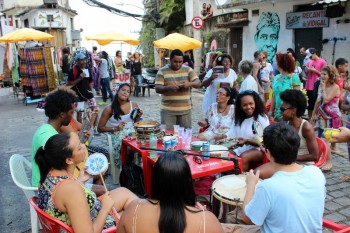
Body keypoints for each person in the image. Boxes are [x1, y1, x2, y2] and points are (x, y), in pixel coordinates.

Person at [36, 133, 138, 232]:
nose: (83, 146)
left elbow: (64, 200)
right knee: (137, 216)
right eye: (79, 148)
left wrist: (79, 181)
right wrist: (105, 209)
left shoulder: (49, 174)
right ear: (69, 160)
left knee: (124, 192)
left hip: (86, 215)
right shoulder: (71, 189)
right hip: (95, 225)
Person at [241, 122, 326, 232]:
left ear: (267, 153)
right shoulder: (316, 173)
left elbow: (248, 219)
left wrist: (251, 184)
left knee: (228, 222)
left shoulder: (268, 186)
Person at [116, 151, 224, 233]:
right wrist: (203, 215)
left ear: (155, 181)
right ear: (188, 182)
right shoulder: (207, 221)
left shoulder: (134, 209)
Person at [256, 89, 319, 179]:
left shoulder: (306, 128)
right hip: (286, 162)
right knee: (256, 173)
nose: (280, 112)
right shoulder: (286, 123)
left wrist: (290, 158)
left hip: (302, 165)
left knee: (260, 174)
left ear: (294, 110)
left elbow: (315, 156)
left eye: (282, 109)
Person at [31, 88, 77, 187]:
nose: (72, 117)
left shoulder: (48, 129)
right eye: (71, 113)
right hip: (47, 187)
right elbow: (56, 170)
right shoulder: (48, 136)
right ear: (62, 115)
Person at [222, 90, 269, 172]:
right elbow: (231, 134)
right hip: (241, 147)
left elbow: (262, 142)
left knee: (244, 157)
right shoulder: (239, 119)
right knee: (224, 154)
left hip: (259, 149)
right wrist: (221, 137)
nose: (248, 107)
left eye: (251, 104)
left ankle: (242, 181)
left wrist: (247, 141)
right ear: (240, 106)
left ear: (256, 103)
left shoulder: (260, 118)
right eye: (245, 105)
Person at [155, 49, 201, 129]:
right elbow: (157, 88)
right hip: (167, 111)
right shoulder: (162, 71)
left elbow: (198, 83)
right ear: (170, 60)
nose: (178, 64)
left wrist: (189, 84)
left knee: (184, 136)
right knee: (168, 136)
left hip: (185, 111)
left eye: (180, 62)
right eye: (175, 62)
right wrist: (169, 87)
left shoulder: (188, 70)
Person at [98, 83, 142, 166]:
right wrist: (116, 128)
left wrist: (139, 116)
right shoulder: (109, 109)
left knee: (145, 143)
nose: (125, 92)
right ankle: (128, 169)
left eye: (128, 91)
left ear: (129, 95)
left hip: (132, 133)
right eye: (123, 90)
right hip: (117, 135)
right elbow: (99, 128)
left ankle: (139, 167)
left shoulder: (134, 105)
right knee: (130, 147)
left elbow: (136, 123)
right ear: (118, 91)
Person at [311, 66, 342, 171]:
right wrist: (313, 115)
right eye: (321, 74)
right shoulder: (321, 85)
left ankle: (329, 162)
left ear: (331, 75)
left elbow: (327, 99)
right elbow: (318, 100)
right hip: (322, 117)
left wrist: (323, 88)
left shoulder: (335, 87)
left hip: (332, 118)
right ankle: (322, 159)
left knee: (325, 140)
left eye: (325, 74)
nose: (322, 76)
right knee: (320, 139)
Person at [268, 53, 301, 121]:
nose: (275, 63)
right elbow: (274, 95)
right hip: (277, 114)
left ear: (282, 63)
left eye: (277, 61)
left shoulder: (293, 77)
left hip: (289, 114)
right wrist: (271, 110)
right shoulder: (276, 77)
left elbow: (297, 97)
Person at [67, 52, 96, 123]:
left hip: (88, 93)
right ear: (77, 61)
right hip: (78, 96)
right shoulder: (73, 71)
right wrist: (79, 78)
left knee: (95, 110)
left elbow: (90, 82)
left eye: (85, 59)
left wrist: (91, 91)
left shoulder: (88, 69)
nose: (84, 62)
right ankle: (81, 130)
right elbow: (69, 84)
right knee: (80, 113)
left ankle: (95, 129)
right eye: (81, 60)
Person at [305, 48, 327, 119]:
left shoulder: (322, 62)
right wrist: (307, 69)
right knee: (309, 104)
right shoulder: (310, 62)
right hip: (308, 85)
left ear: (314, 53)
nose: (310, 58)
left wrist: (315, 70)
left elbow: (325, 75)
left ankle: (315, 119)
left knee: (316, 104)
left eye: (311, 56)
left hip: (317, 85)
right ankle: (310, 118)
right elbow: (307, 73)